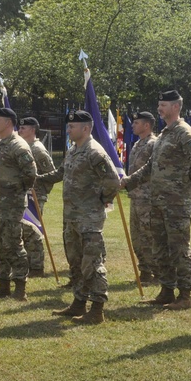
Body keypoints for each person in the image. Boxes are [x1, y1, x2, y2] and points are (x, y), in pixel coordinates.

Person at [121, 90, 191, 310]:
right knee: (160, 246)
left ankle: (185, 295)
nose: (160, 109)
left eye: (164, 105)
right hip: (157, 202)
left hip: (176, 203)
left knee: (178, 248)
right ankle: (167, 291)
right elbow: (151, 167)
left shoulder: (183, 133)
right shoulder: (165, 134)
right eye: (159, 105)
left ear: (176, 107)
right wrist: (129, 181)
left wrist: (185, 184)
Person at [37, 111, 121, 324]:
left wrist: (101, 200)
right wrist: (36, 179)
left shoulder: (95, 152)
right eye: (68, 126)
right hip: (72, 217)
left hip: (89, 219)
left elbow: (112, 181)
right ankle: (79, 302)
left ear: (86, 128)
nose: (68, 129)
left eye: (72, 126)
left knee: (92, 263)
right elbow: (60, 173)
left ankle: (97, 309)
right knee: (76, 263)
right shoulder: (74, 150)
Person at [0, 107, 37, 300]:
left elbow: (30, 173)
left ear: (8, 123)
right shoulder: (2, 144)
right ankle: (3, 285)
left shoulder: (18, 145)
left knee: (13, 245)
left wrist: (17, 190)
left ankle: (20, 288)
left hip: (11, 205)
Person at [18, 117, 55, 278]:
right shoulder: (25, 147)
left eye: (23, 128)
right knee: (25, 230)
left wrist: (40, 188)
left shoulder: (38, 149)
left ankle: (37, 267)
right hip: (25, 194)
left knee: (33, 231)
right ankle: (27, 264)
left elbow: (52, 173)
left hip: (35, 196)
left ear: (32, 130)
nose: (19, 131)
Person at [127, 112, 160, 285]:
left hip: (147, 198)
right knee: (137, 237)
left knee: (149, 236)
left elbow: (152, 170)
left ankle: (157, 273)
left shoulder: (153, 144)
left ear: (146, 125)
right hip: (136, 197)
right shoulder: (138, 144)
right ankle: (145, 271)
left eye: (136, 122)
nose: (133, 125)